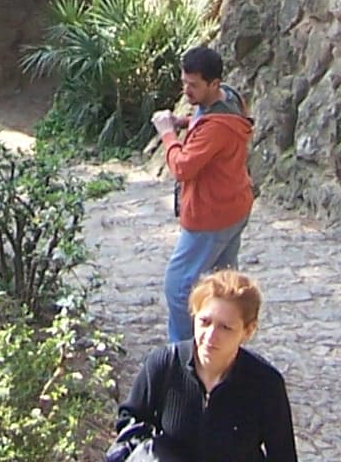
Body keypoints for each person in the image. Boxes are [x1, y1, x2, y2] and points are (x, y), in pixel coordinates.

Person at [111, 269, 296, 462]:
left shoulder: (265, 384)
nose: (210, 336)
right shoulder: (165, 364)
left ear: (248, 331)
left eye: (225, 327)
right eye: (205, 322)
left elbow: (283, 455)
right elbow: (130, 424)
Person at [153, 45, 254, 344]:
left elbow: (183, 168)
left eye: (194, 85)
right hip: (235, 207)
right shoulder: (230, 100)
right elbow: (205, 123)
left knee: (178, 286)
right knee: (224, 285)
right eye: (184, 83)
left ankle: (184, 350)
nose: (187, 91)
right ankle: (226, 341)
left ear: (214, 83)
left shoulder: (218, 128)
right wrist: (185, 123)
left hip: (212, 216)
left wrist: (167, 134)